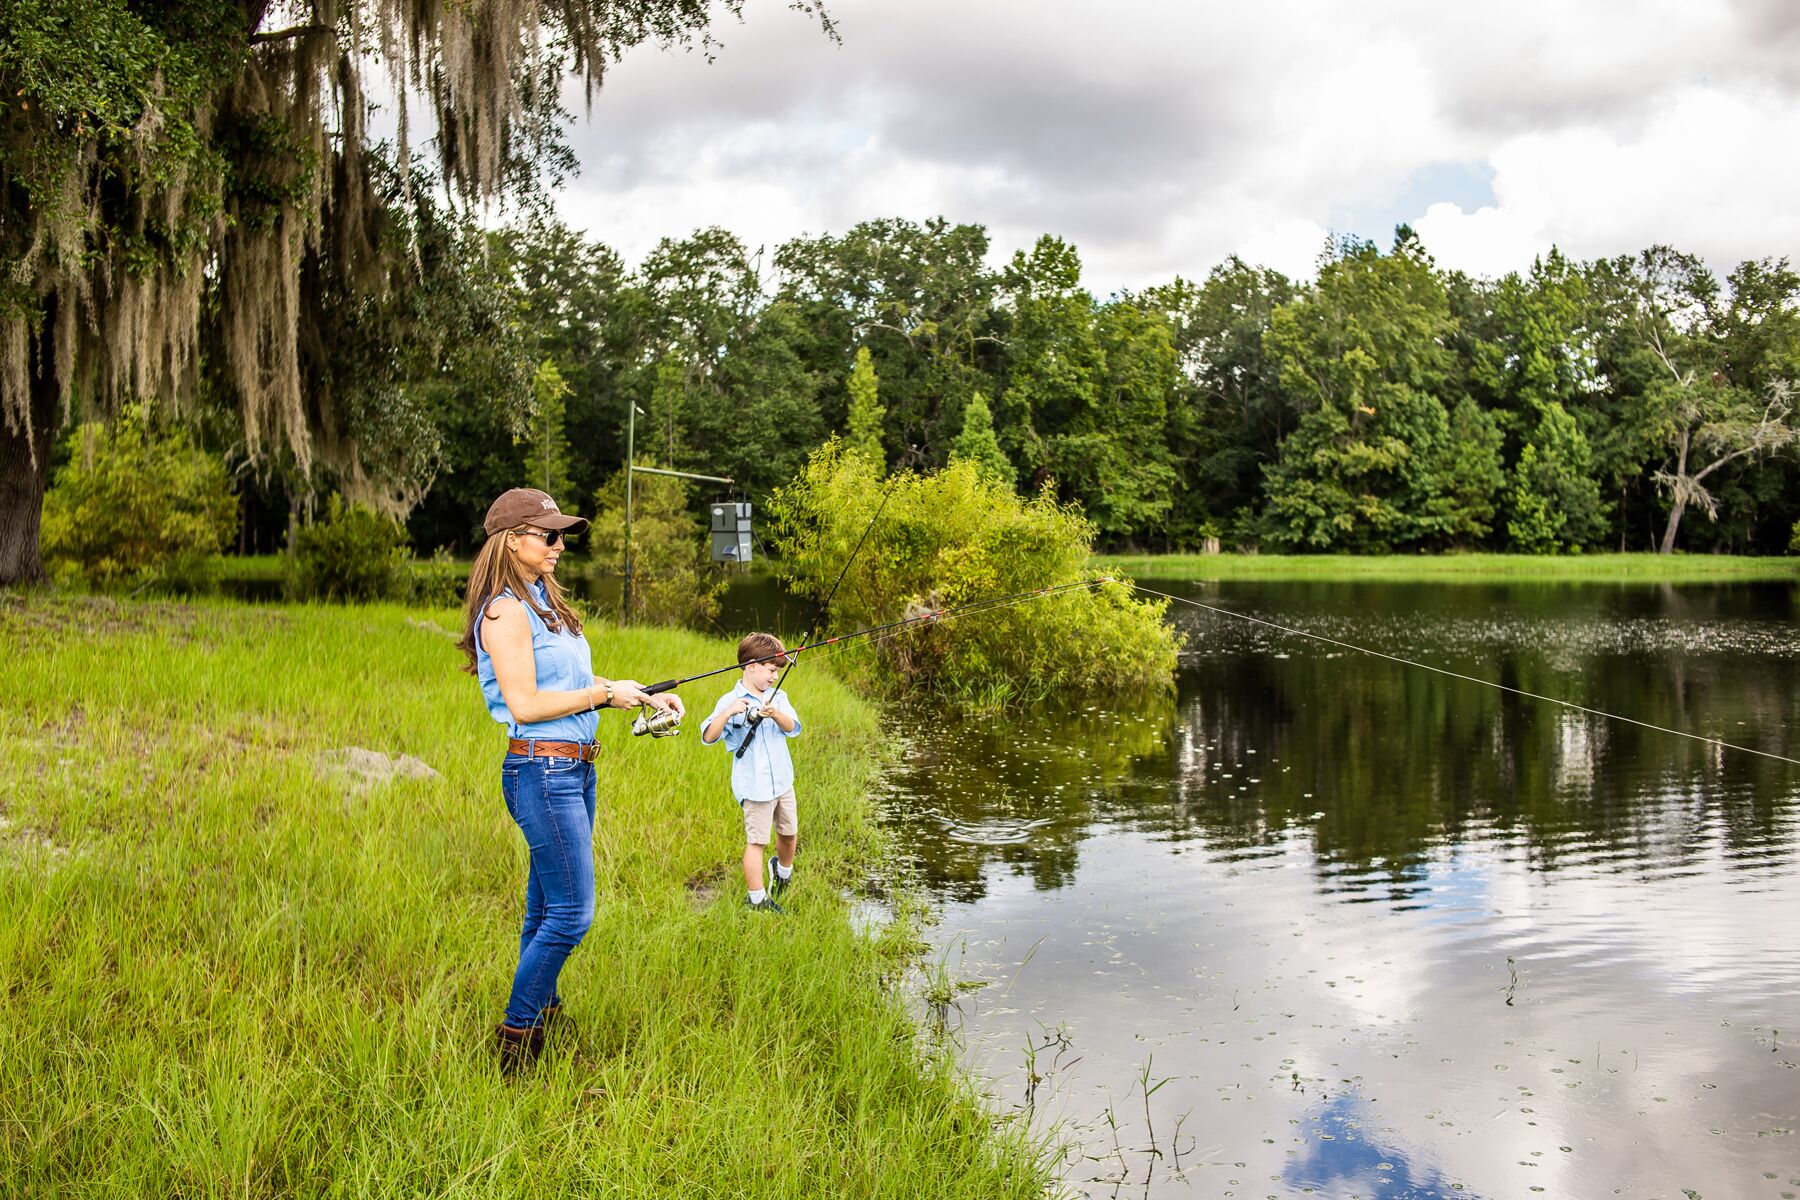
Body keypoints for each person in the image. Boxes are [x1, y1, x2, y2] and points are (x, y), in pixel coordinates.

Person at [458, 487, 684, 1070]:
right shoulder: (504, 611)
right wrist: (602, 694)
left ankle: (545, 1011)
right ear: (513, 542)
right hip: (541, 768)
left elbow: (571, 684)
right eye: (549, 535)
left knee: (543, 907)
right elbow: (528, 704)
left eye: (562, 536)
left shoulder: (544, 605)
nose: (560, 546)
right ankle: (516, 1041)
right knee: (572, 914)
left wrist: (635, 696)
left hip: (573, 768)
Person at [700, 633, 802, 914]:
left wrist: (775, 714)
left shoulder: (778, 696)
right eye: (771, 670)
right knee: (757, 841)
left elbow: (793, 727)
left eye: (777, 671)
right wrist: (729, 712)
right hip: (754, 785)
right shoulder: (730, 700)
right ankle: (756, 899)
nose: (774, 676)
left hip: (783, 780)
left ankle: (782, 872)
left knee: (789, 833)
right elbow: (709, 736)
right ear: (751, 665)